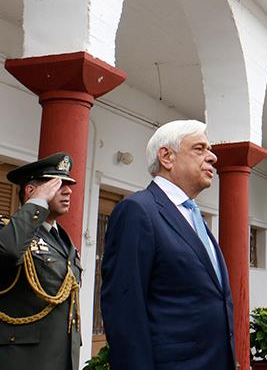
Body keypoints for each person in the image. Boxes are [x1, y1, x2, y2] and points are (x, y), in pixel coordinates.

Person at [101, 120, 235, 369]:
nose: (213, 157)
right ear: (167, 157)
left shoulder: (194, 217)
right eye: (199, 148)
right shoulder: (138, 211)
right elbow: (124, 310)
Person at [0, 153, 81, 370]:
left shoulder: (64, 241)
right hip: (23, 360)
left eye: (68, 184)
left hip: (61, 359)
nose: (68, 190)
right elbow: (8, 251)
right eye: (57, 184)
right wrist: (37, 202)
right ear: (30, 190)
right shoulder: (7, 232)